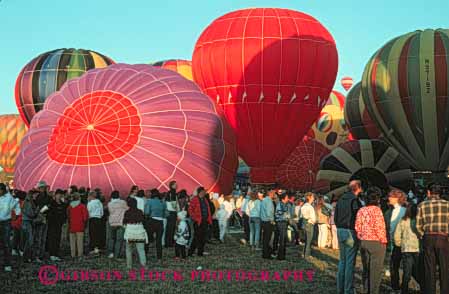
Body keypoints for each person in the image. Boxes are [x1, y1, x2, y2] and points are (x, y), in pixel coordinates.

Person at [416, 184, 449, 294]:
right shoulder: (447, 204)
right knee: (444, 268)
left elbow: (418, 225)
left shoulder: (422, 205)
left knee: (429, 268)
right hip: (443, 237)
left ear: (429, 192)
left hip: (428, 237)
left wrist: (422, 235)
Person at [355, 187, 387, 294]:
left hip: (364, 242)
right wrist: (384, 240)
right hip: (376, 242)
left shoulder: (361, 210)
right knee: (375, 272)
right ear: (377, 199)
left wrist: (361, 237)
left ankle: (365, 289)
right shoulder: (377, 211)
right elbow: (379, 227)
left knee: (366, 269)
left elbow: (357, 227)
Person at [334, 180, 363, 294]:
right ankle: (348, 290)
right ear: (358, 188)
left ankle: (340, 288)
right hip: (350, 231)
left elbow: (335, 216)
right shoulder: (355, 201)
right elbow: (358, 216)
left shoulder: (340, 199)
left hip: (340, 230)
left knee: (342, 261)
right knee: (350, 263)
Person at [393, 203, 422, 294]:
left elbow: (396, 236)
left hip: (406, 249)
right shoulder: (419, 221)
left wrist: (400, 244)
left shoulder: (402, 221)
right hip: (417, 249)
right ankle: (424, 286)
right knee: (418, 270)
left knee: (407, 271)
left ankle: (404, 290)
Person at [384, 189, 407, 292]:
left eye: (390, 196)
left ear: (396, 198)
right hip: (394, 242)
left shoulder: (404, 211)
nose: (388, 198)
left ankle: (402, 286)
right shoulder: (389, 212)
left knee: (406, 266)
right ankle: (395, 286)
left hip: (403, 242)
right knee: (394, 266)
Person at [0, 183, 21, 272]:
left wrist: (16, 215)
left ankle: (7, 264)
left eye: (0, 190)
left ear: (3, 190)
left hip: (6, 222)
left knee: (6, 243)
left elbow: (17, 206)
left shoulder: (9, 198)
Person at [123, 197, 147, 269]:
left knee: (129, 250)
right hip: (139, 233)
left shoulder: (127, 212)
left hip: (130, 233)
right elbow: (144, 222)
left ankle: (129, 265)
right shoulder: (140, 212)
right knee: (141, 250)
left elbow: (124, 223)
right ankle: (143, 264)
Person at [188, 187, 212, 257]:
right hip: (198, 221)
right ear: (199, 192)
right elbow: (190, 210)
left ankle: (200, 252)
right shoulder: (195, 199)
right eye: (203, 191)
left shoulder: (205, 200)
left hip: (205, 221)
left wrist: (209, 219)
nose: (204, 193)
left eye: (204, 192)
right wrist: (194, 218)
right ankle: (190, 252)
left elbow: (208, 210)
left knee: (203, 238)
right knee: (196, 237)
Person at [144, 189, 166, 262]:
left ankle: (145, 255)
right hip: (160, 222)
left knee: (147, 239)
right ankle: (159, 258)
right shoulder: (162, 202)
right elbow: (166, 213)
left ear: (152, 194)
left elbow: (146, 212)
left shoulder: (149, 201)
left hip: (151, 221)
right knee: (159, 241)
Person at [47, 189, 67, 261]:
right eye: (58, 194)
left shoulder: (62, 204)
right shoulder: (52, 203)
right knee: (52, 238)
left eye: (60, 195)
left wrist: (63, 221)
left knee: (58, 238)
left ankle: (56, 253)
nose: (59, 196)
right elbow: (48, 213)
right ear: (55, 195)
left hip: (59, 224)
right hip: (52, 223)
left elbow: (64, 213)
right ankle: (52, 254)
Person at [33, 181, 51, 262]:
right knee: (39, 237)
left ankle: (40, 255)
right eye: (42, 187)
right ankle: (37, 255)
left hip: (43, 217)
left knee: (42, 237)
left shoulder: (44, 196)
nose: (43, 189)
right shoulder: (39, 196)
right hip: (41, 218)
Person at [67, 192, 88, 258]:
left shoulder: (69, 207)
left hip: (72, 226)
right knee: (80, 242)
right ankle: (80, 255)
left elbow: (68, 216)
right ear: (79, 198)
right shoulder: (82, 206)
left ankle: (73, 254)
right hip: (80, 226)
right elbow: (85, 217)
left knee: (72, 242)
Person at [107, 190, 127, 259]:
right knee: (119, 240)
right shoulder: (123, 202)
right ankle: (117, 255)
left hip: (112, 222)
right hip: (120, 223)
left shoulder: (109, 204)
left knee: (111, 238)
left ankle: (110, 253)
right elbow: (127, 209)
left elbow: (110, 212)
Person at [22, 191, 37, 262]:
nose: (36, 197)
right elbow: (30, 213)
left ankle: (28, 257)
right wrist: (36, 212)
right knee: (29, 240)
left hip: (27, 222)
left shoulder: (28, 202)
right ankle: (26, 257)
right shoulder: (28, 202)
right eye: (35, 195)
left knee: (29, 240)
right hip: (27, 222)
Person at [275, 193, 290, 260]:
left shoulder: (285, 205)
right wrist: (286, 215)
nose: (288, 199)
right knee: (281, 239)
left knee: (283, 239)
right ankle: (280, 256)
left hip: (284, 222)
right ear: (283, 198)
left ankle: (283, 255)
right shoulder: (280, 204)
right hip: (281, 222)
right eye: (287, 197)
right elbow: (278, 213)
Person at [301, 192, 316, 259]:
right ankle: (307, 255)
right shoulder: (310, 207)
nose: (313, 198)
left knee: (306, 240)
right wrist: (313, 221)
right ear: (309, 197)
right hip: (309, 224)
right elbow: (313, 218)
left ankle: (304, 253)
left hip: (305, 223)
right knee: (309, 240)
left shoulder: (304, 206)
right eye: (312, 197)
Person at [260, 190, 275, 259]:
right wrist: (272, 220)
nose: (274, 194)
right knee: (267, 239)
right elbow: (269, 212)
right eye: (273, 193)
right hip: (268, 221)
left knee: (265, 238)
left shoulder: (264, 200)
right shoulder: (269, 201)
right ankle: (266, 254)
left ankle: (265, 253)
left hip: (263, 221)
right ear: (270, 193)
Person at [165, 181, 178, 248]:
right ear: (172, 185)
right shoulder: (173, 193)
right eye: (175, 185)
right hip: (172, 212)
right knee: (171, 228)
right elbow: (174, 204)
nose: (176, 186)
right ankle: (169, 243)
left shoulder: (169, 193)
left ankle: (168, 242)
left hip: (169, 212)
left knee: (169, 228)